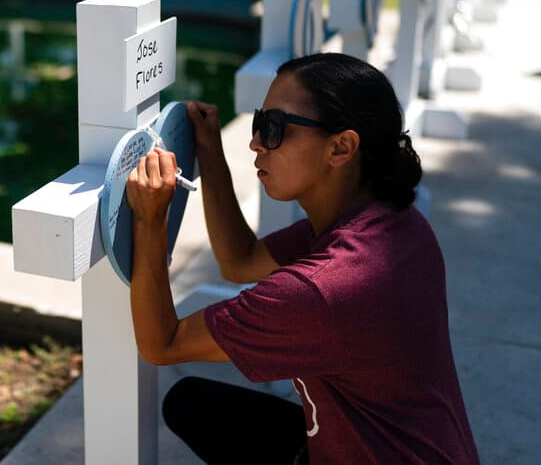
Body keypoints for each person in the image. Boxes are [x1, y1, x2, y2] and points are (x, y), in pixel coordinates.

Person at [126, 52, 479, 464]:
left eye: (274, 128)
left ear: (341, 147)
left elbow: (162, 344)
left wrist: (149, 221)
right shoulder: (390, 221)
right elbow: (240, 261)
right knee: (196, 406)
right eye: (259, 123)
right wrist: (210, 151)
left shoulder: (320, 290)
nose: (256, 142)